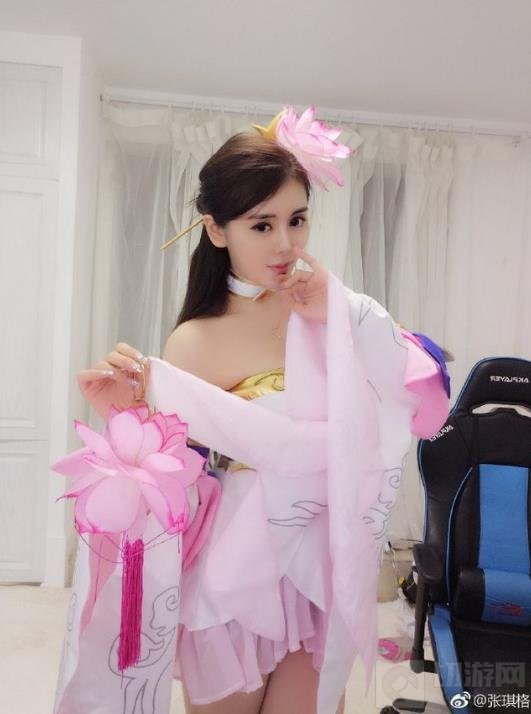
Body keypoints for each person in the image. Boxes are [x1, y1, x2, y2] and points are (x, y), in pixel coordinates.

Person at [76, 107, 450, 714]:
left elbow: (422, 402)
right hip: (236, 568)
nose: (285, 244)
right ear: (216, 230)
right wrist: (128, 416)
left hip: (323, 561)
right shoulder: (196, 341)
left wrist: (342, 316)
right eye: (261, 224)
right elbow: (171, 488)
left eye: (297, 219)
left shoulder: (334, 313)